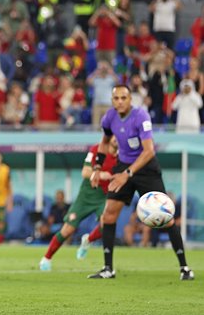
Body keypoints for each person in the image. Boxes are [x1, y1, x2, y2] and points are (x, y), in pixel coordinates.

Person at [88, 85, 194, 280]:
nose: (120, 101)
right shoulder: (109, 117)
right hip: (124, 167)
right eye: (116, 98)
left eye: (123, 98)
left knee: (166, 218)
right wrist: (97, 168)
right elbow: (104, 142)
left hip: (146, 169)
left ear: (130, 100)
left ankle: (185, 268)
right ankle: (108, 269)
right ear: (112, 101)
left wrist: (127, 173)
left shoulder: (141, 116)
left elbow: (149, 151)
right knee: (109, 215)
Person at [39, 137, 119, 271]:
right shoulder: (96, 149)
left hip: (105, 195)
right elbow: (85, 172)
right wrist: (100, 174)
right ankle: (46, 258)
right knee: (68, 229)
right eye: (113, 135)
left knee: (107, 225)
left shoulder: (123, 156)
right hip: (87, 193)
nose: (116, 138)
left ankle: (88, 240)